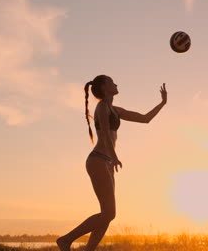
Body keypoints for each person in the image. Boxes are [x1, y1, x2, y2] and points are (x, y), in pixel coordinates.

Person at [56, 74, 167, 251]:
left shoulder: (115, 110)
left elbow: (145, 118)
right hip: (98, 160)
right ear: (104, 87)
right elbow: (106, 133)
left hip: (107, 162)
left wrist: (162, 103)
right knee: (109, 213)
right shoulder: (101, 107)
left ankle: (87, 249)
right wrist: (114, 156)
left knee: (107, 214)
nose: (116, 83)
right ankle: (65, 240)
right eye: (111, 81)